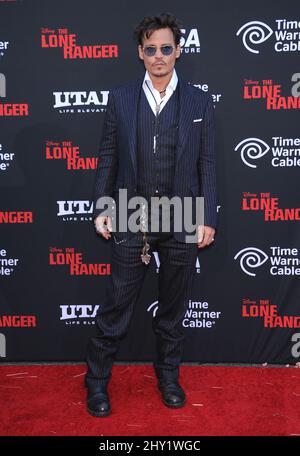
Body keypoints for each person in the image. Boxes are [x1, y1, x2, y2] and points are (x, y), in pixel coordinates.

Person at [85, 12, 217, 417]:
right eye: (150, 48)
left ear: (178, 51)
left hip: (183, 215)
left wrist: (207, 216)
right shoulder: (121, 98)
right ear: (139, 53)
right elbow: (108, 155)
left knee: (173, 311)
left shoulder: (198, 100)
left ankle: (169, 377)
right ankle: (96, 384)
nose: (158, 55)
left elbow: (207, 162)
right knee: (116, 309)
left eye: (165, 48)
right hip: (130, 213)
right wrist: (102, 205)